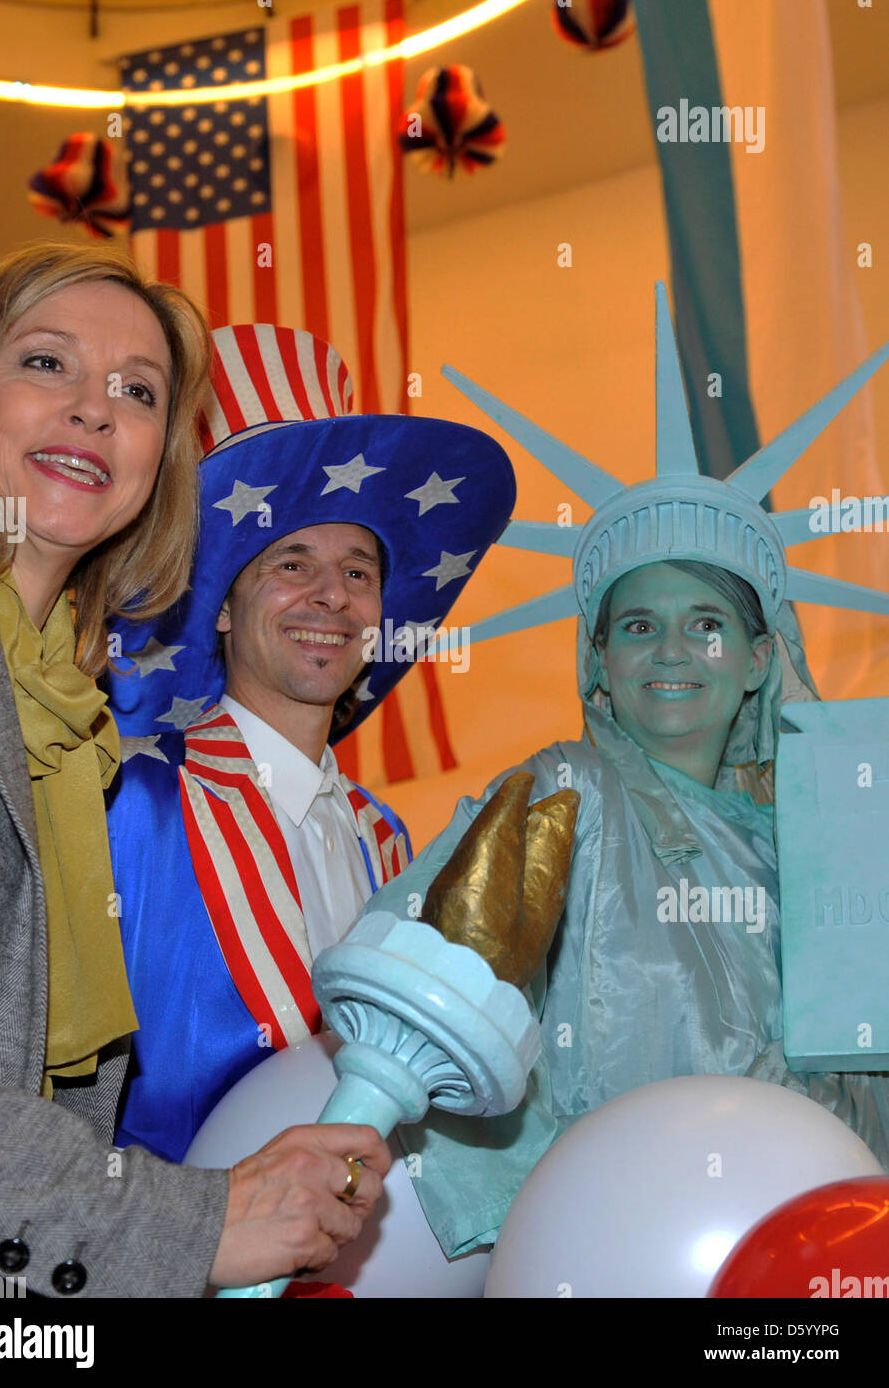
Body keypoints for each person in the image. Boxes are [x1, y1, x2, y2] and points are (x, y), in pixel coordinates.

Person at [353, 284, 889, 1258]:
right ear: (598, 660)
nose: (671, 651)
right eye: (637, 625)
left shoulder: (831, 835)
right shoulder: (568, 793)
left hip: (823, 1241)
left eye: (707, 624)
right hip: (616, 1246)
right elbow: (407, 982)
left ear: (759, 657)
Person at [0, 244, 391, 1298]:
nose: (95, 412)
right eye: (47, 364)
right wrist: (187, 1222)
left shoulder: (63, 715)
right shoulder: (137, 791)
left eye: (136, 392)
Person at [103, 322, 517, 1165]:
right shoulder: (136, 801)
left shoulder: (385, 836)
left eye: (359, 571)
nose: (332, 595)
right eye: (291, 563)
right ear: (219, 605)